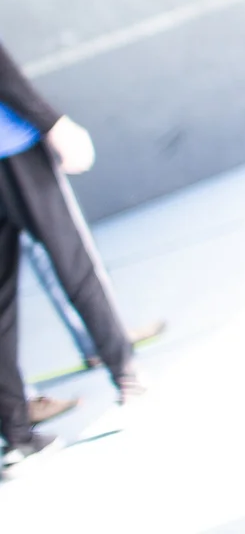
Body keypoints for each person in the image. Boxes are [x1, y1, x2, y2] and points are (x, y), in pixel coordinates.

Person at [0, 39, 143, 471]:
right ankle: (129, 380)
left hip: (14, 143)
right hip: (14, 147)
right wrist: (54, 123)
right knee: (73, 265)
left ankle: (17, 437)